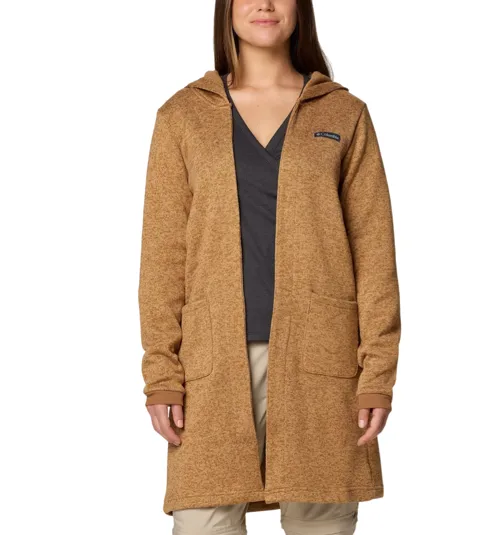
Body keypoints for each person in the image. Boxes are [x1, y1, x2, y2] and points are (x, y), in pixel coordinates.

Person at [138, 0, 401, 533]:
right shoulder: (182, 115)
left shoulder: (343, 114)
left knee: (321, 520)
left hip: (322, 359)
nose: (264, 3)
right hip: (210, 363)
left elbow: (374, 252)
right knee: (203, 520)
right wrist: (161, 375)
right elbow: (162, 256)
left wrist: (377, 374)